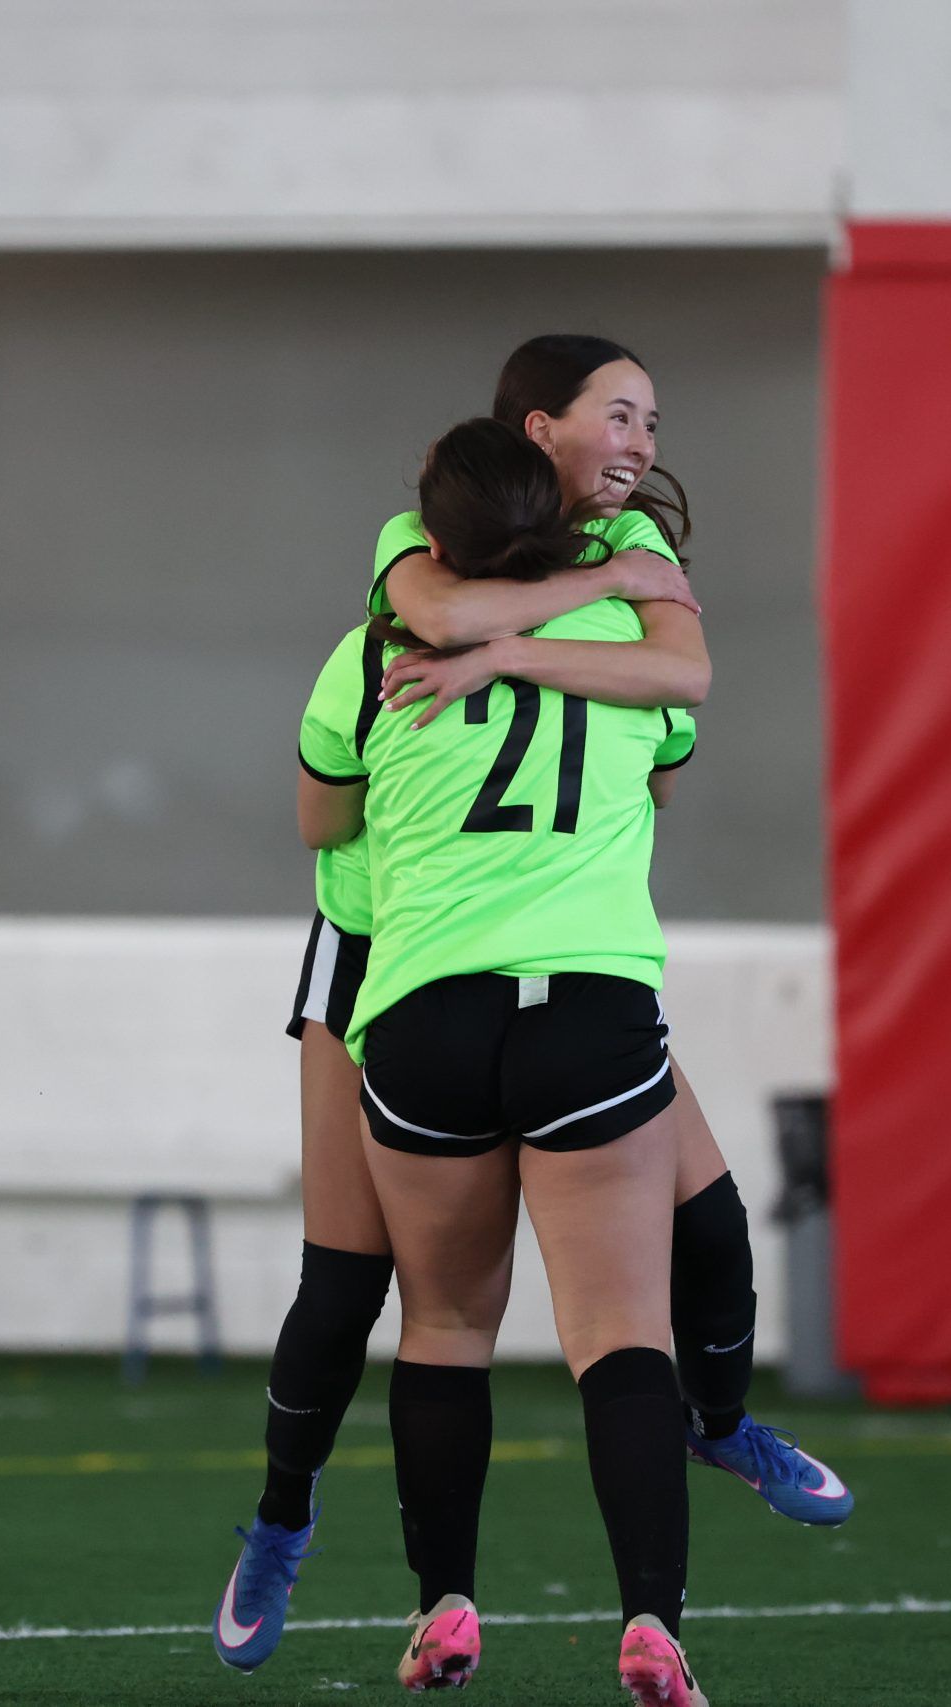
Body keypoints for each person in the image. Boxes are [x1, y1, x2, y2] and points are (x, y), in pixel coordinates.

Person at [212, 337, 847, 1678]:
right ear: (537, 430)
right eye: (620, 415)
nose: (643, 444)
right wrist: (576, 616)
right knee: (350, 1284)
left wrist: (513, 655)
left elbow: (651, 677)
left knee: (695, 1224)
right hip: (398, 946)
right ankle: (281, 1516)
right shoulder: (428, 570)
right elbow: (474, 648)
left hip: (474, 964)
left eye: (652, 420)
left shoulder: (598, 572)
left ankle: (704, 1433)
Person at [305, 417, 713, 1703]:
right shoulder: (633, 645)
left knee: (441, 1325)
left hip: (427, 1008)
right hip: (587, 1004)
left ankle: (444, 1607)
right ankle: (651, 1624)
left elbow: (322, 821)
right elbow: (666, 768)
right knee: (621, 1332)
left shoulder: (376, 646)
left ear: (431, 536)